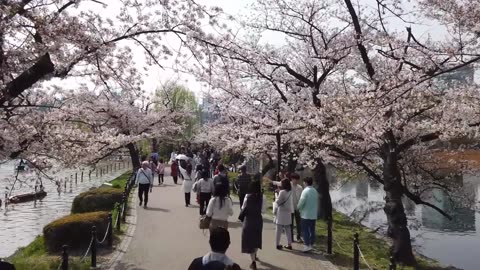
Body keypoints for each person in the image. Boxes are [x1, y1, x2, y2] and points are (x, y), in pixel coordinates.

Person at [240, 180, 265, 270]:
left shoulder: (247, 196)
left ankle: (253, 261)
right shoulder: (263, 197)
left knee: (249, 240)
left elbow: (243, 208)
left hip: (248, 220)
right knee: (256, 239)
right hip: (258, 220)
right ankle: (255, 255)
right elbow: (263, 211)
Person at [298, 177, 319, 252]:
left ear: (306, 182)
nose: (303, 184)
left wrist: (298, 207)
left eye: (304, 182)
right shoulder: (315, 191)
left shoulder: (305, 191)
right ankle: (311, 244)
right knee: (312, 230)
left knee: (305, 230)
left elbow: (302, 202)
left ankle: (306, 245)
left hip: (305, 214)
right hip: (313, 214)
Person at [273, 179, 293, 250]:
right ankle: (289, 244)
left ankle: (277, 244)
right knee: (288, 229)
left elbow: (277, 202)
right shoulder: (290, 192)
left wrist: (276, 194)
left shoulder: (282, 192)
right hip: (288, 212)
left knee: (278, 229)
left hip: (281, 212)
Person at [290, 173, 304, 242]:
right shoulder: (289, 185)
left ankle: (298, 237)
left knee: (299, 223)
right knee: (291, 223)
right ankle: (291, 237)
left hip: (298, 208)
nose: (295, 181)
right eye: (294, 179)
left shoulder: (300, 187)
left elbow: (301, 198)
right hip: (290, 207)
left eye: (296, 180)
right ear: (292, 179)